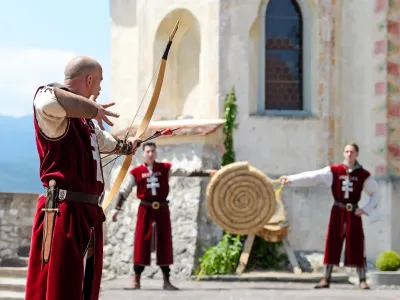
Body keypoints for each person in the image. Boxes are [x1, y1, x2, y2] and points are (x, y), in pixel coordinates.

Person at [25, 56, 142, 300]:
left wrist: (126, 146)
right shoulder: (47, 98)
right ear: (89, 80)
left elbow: (105, 142)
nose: (99, 89)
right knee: (61, 288)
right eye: (98, 82)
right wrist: (92, 109)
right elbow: (50, 99)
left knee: (85, 288)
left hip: (86, 213)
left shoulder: (85, 121)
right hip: (62, 211)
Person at [112, 142, 217, 290]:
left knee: (164, 242)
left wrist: (207, 173)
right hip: (145, 210)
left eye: (153, 151)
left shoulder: (164, 168)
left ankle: (166, 281)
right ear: (143, 153)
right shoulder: (136, 172)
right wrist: (116, 210)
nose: (150, 154)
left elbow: (186, 172)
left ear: (156, 153)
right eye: (148, 151)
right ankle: (136, 280)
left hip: (162, 209)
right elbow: (124, 191)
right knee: (141, 242)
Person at [279, 143, 380, 290]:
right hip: (338, 211)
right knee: (332, 242)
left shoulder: (363, 175)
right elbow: (312, 177)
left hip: (353, 213)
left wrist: (365, 209)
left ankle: (362, 279)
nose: (349, 154)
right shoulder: (334, 171)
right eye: (346, 151)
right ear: (344, 153)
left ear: (356, 154)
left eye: (352, 152)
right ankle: (326, 278)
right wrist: (291, 179)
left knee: (357, 243)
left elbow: (376, 193)